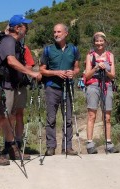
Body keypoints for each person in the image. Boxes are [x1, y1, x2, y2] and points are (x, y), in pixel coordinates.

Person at [0, 14, 41, 164]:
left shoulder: (16, 43)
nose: (27, 28)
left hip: (13, 85)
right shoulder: (8, 41)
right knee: (0, 118)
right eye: (25, 26)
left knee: (10, 117)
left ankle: (11, 148)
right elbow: (11, 61)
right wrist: (31, 73)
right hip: (5, 86)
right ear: (18, 28)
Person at [39, 23, 80, 156]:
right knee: (51, 118)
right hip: (52, 87)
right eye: (54, 32)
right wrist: (56, 73)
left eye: (59, 32)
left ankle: (67, 147)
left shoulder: (73, 49)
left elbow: (77, 68)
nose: (56, 34)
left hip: (68, 87)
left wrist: (73, 73)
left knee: (68, 119)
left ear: (66, 33)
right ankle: (51, 147)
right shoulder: (48, 50)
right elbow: (42, 70)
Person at [83, 32, 119, 154]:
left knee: (107, 116)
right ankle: (89, 143)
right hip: (93, 85)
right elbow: (87, 75)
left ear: (105, 42)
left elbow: (113, 75)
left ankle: (109, 143)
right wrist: (97, 68)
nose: (99, 43)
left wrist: (106, 71)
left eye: (101, 41)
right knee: (92, 114)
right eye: (96, 41)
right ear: (94, 42)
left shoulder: (110, 56)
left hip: (107, 85)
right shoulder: (90, 56)